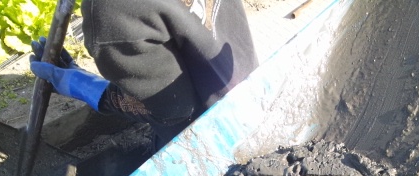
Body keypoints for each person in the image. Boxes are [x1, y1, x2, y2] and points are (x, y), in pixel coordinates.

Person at [30, 0, 259, 147]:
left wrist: (87, 87)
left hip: (208, 137)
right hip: (252, 85)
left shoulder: (111, 12)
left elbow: (171, 110)